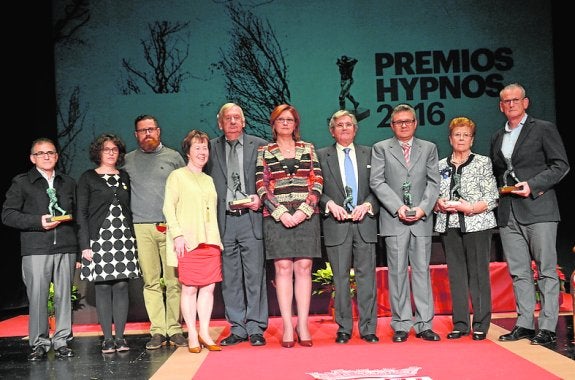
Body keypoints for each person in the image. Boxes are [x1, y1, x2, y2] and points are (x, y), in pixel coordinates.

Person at [490, 83, 570, 345]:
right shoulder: (497, 137)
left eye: (515, 99)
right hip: (509, 211)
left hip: (539, 208)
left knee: (546, 271)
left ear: (526, 102)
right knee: (519, 272)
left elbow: (561, 165)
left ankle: (546, 326)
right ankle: (524, 323)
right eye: (506, 101)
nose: (511, 104)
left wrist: (533, 185)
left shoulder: (543, 128)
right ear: (501, 106)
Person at [369, 103, 441, 343]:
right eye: (399, 122)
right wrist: (397, 207)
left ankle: (424, 324)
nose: (403, 125)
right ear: (392, 125)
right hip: (394, 219)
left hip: (421, 219)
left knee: (421, 271)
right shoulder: (381, 148)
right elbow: (377, 181)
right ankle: (401, 324)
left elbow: (433, 182)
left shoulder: (429, 148)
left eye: (408, 121)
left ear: (415, 123)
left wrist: (422, 208)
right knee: (397, 273)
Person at [2, 138, 78, 361]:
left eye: (50, 152)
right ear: (32, 158)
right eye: (41, 153)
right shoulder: (23, 182)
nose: (46, 156)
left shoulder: (68, 182)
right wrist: (38, 221)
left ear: (56, 156)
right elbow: (8, 215)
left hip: (65, 246)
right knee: (37, 297)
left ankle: (62, 341)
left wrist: (80, 248)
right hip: (36, 249)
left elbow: (78, 217)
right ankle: (39, 343)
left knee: (64, 297)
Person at [256, 104, 323, 348]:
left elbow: (317, 180)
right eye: (281, 119)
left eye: (290, 120)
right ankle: (286, 325)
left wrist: (305, 210)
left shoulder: (308, 148)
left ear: (296, 124)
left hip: (306, 215)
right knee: (283, 267)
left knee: (304, 267)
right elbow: (261, 185)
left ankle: (302, 324)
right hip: (277, 217)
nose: (286, 123)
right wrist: (281, 212)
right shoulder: (264, 151)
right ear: (273, 124)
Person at [205, 103, 269, 347]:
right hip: (224, 221)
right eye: (227, 118)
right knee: (230, 278)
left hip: (251, 218)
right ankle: (238, 327)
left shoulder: (261, 145)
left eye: (237, 118)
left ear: (244, 122)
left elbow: (270, 183)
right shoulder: (209, 148)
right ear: (220, 123)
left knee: (255, 275)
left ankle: (255, 327)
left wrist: (261, 198)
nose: (232, 122)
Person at [123, 115, 187, 349]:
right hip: (141, 227)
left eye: (151, 129)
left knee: (173, 281)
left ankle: (175, 328)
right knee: (150, 282)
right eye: (142, 130)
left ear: (159, 131)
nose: (147, 134)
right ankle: (158, 330)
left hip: (170, 226)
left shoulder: (173, 158)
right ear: (136, 135)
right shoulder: (127, 161)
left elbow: (185, 189)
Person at [433, 117, 499, 341]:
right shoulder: (440, 165)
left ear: (472, 139)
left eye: (466, 135)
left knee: (479, 275)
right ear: (450, 138)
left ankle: (480, 324)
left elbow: (492, 196)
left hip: (477, 225)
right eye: (457, 135)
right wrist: (438, 203)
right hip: (449, 225)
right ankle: (460, 324)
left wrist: (470, 208)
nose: (461, 139)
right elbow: (433, 195)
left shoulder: (482, 162)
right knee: (456, 276)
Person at [317, 110, 379, 344]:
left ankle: (368, 328)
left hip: (365, 223)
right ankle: (343, 328)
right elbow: (316, 190)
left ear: (356, 129)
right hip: (336, 224)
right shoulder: (322, 156)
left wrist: (368, 205)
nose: (344, 128)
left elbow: (379, 187)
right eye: (339, 125)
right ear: (332, 131)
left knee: (366, 279)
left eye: (349, 124)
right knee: (340, 280)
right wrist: (329, 204)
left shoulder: (370, 154)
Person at [76, 134, 141, 353]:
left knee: (122, 286)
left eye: (115, 149)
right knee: (103, 287)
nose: (111, 152)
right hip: (99, 239)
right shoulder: (88, 178)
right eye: (106, 149)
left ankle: (120, 337)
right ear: (98, 153)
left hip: (123, 238)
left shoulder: (124, 176)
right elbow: (81, 214)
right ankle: (107, 339)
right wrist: (84, 245)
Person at [163, 130, 223, 353]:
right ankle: (191, 334)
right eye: (197, 148)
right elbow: (168, 207)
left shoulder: (209, 180)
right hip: (187, 242)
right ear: (187, 152)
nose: (202, 152)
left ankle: (205, 332)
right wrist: (177, 234)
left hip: (210, 241)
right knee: (189, 289)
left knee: (208, 288)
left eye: (205, 148)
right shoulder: (177, 176)